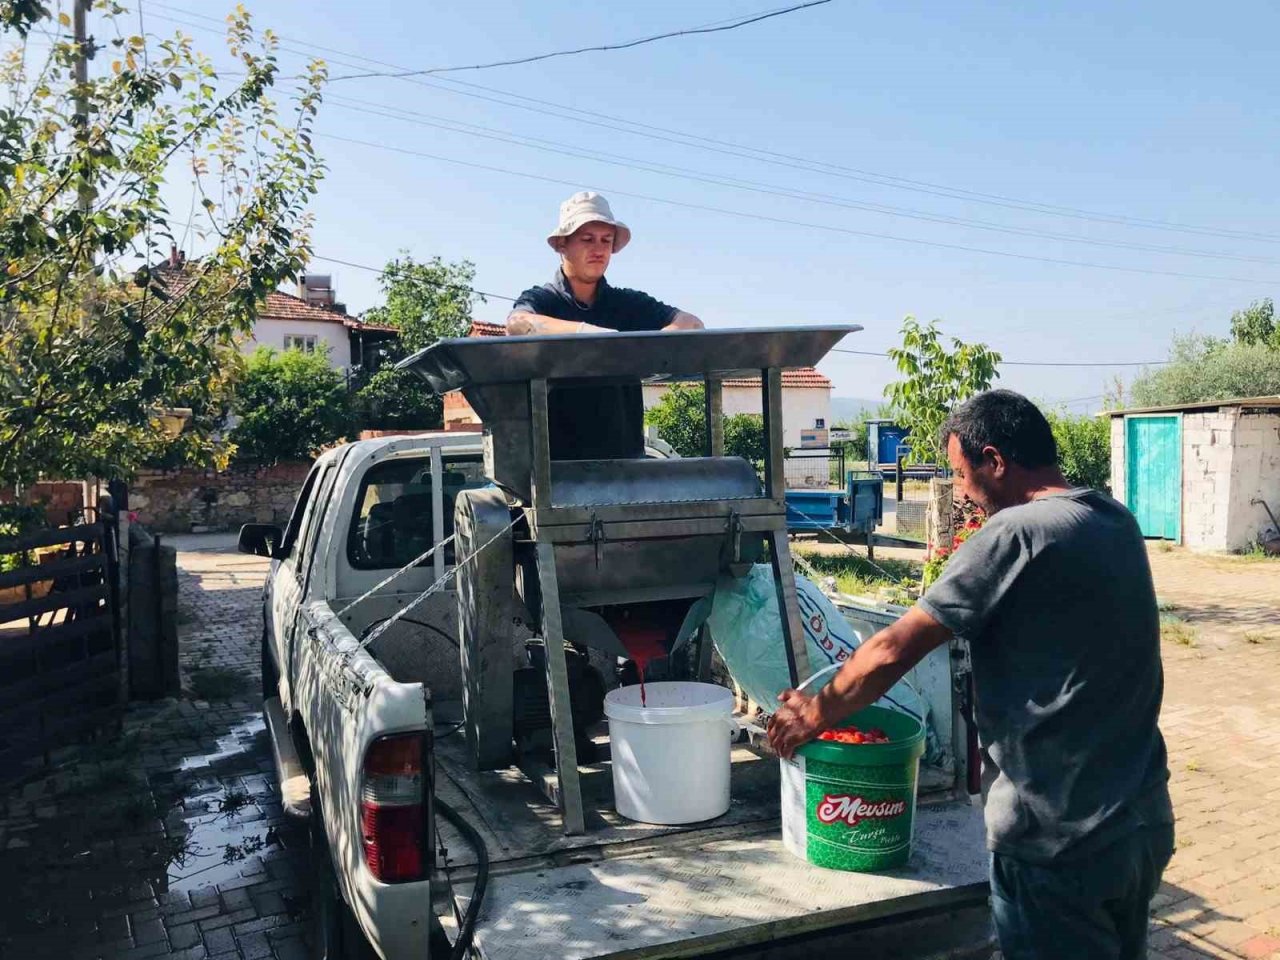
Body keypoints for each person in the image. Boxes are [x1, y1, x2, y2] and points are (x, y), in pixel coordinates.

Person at [767, 389, 1174, 960]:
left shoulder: (1015, 533)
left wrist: (814, 711)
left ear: (996, 460)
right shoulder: (1111, 518)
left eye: (961, 474)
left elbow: (891, 649)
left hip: (1056, 838)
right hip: (1138, 822)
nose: (960, 493)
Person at [507, 191, 702, 460]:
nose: (598, 250)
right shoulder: (542, 301)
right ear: (562, 244)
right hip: (557, 472)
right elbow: (517, 325)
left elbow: (691, 324)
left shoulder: (628, 305)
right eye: (587, 239)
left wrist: (654, 345)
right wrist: (588, 334)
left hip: (626, 468)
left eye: (606, 240)